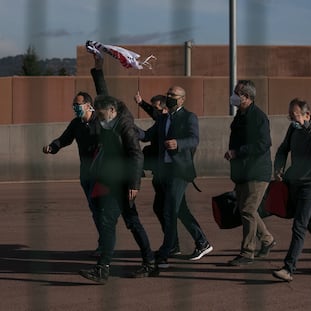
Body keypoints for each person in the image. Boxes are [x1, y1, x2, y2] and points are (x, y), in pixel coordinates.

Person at [78, 94, 158, 284]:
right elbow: (103, 90)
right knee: (128, 222)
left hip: (124, 182)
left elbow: (136, 156)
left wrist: (134, 184)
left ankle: (104, 268)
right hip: (112, 181)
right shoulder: (109, 121)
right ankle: (148, 262)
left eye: (101, 113)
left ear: (112, 110)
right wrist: (98, 70)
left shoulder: (125, 126)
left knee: (118, 223)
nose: (99, 116)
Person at [143, 85, 213, 268]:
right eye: (167, 94)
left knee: (170, 210)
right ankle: (202, 242)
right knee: (175, 209)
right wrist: (125, 126)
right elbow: (145, 135)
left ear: (182, 99)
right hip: (163, 171)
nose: (169, 97)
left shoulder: (189, 117)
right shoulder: (163, 118)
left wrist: (178, 143)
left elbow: (194, 139)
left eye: (172, 95)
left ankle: (166, 252)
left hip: (179, 172)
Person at [272, 98, 311, 282]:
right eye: (290, 116)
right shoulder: (293, 129)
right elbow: (283, 149)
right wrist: (279, 167)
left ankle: (288, 267)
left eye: (296, 115)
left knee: (299, 224)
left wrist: (306, 125)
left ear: (307, 115)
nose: (292, 120)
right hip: (295, 183)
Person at [42, 93, 101, 257]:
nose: (75, 107)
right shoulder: (76, 124)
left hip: (102, 174)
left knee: (101, 209)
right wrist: (52, 147)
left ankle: (106, 243)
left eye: (78, 104)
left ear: (89, 105)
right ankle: (104, 241)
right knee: (94, 209)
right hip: (86, 174)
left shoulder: (101, 121)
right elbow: (64, 139)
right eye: (74, 105)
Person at [224, 80, 275, 266]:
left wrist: (238, 152)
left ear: (246, 97)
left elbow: (264, 143)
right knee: (247, 209)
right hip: (242, 171)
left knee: (248, 210)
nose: (234, 96)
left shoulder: (258, 117)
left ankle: (247, 252)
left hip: (256, 171)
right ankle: (268, 240)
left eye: (237, 93)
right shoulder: (240, 115)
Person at [134, 92, 182, 258]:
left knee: (172, 211)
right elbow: (146, 134)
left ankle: (189, 242)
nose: (155, 112)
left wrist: (142, 104)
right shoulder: (161, 121)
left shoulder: (171, 121)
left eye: (157, 108)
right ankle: (174, 243)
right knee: (162, 209)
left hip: (171, 173)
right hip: (160, 173)